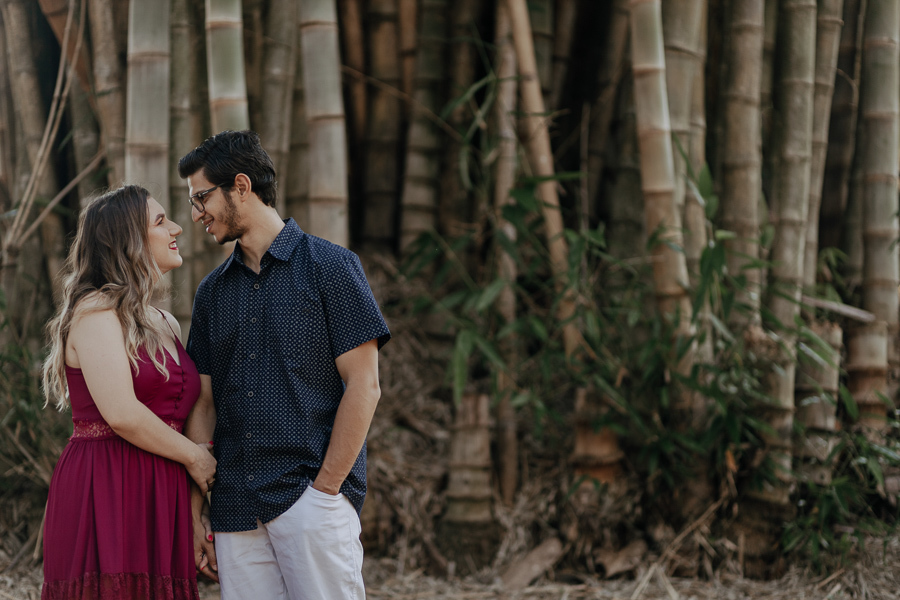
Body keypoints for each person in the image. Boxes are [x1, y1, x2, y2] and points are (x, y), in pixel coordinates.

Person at [179, 130, 390, 600]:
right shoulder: (212, 292)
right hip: (235, 511)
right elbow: (205, 403)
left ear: (240, 185)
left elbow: (365, 385)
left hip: (309, 499)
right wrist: (199, 510)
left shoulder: (332, 268)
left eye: (201, 198)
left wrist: (325, 491)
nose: (196, 215)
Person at [40, 185, 218, 600]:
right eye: (159, 221)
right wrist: (196, 458)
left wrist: (193, 514)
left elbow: (189, 411)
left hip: (164, 489)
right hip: (107, 484)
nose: (176, 227)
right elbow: (121, 413)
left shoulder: (166, 323)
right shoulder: (96, 314)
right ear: (128, 242)